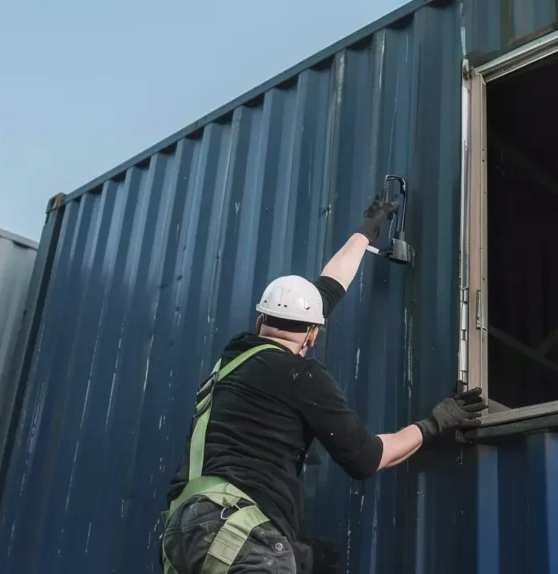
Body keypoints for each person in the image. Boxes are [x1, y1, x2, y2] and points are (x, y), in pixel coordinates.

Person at [160, 197, 487, 574]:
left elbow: (326, 289)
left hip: (180, 536)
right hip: (240, 536)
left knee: (319, 560)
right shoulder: (301, 377)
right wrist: (434, 423)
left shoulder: (231, 361)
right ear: (313, 336)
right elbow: (368, 458)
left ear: (259, 321)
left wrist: (368, 229)